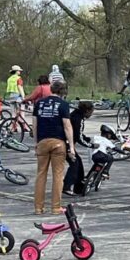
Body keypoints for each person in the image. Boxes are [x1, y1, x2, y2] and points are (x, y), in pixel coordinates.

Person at [32, 80, 75, 215]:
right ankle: (56, 207)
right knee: (57, 175)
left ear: (51, 89)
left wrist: (36, 143)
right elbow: (67, 126)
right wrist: (71, 146)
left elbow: (35, 125)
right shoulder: (63, 105)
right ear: (63, 91)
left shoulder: (39, 104)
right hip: (58, 142)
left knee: (41, 174)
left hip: (42, 141)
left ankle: (38, 207)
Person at [63, 100, 95, 195]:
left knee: (79, 163)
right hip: (66, 144)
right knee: (75, 164)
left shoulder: (74, 115)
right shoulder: (79, 119)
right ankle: (67, 186)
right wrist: (91, 145)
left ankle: (78, 187)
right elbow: (78, 137)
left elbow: (78, 133)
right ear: (87, 111)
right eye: (91, 112)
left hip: (66, 142)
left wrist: (87, 138)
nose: (91, 115)